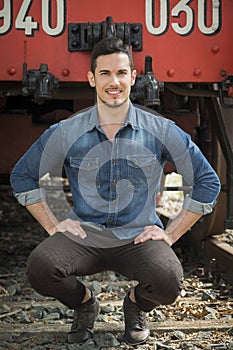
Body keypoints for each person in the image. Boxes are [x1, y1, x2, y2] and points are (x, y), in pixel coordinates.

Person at [10, 37, 221, 346]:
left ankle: (136, 304)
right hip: (84, 235)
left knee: (168, 280)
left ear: (133, 78)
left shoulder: (160, 129)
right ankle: (85, 304)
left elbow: (207, 181)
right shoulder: (67, 131)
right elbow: (23, 176)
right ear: (92, 78)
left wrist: (171, 233)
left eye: (121, 73)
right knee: (41, 267)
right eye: (105, 73)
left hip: (137, 237)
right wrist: (54, 226)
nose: (114, 82)